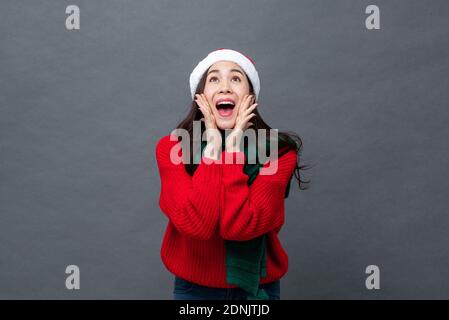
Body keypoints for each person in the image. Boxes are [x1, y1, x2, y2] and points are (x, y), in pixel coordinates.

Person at [155, 48, 309, 300]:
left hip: (257, 289)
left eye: (236, 78)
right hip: (193, 290)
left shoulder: (278, 153)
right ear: (200, 97)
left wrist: (234, 150)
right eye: (214, 79)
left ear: (250, 96)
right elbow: (197, 225)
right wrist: (214, 148)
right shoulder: (172, 149)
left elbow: (239, 227)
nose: (225, 87)